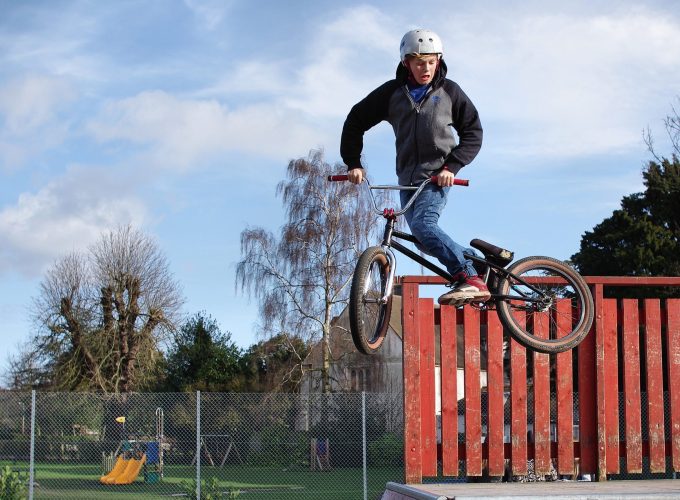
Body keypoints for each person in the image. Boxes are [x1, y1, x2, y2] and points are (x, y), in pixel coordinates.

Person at [340, 28, 489, 306]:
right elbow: (355, 120)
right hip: (407, 180)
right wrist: (353, 162)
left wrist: (451, 167)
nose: (427, 68)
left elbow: (473, 132)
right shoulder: (392, 93)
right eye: (420, 62)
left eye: (432, 62)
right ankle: (481, 264)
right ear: (406, 62)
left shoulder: (449, 92)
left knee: (423, 226)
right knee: (424, 240)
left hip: (435, 178)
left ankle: (469, 277)